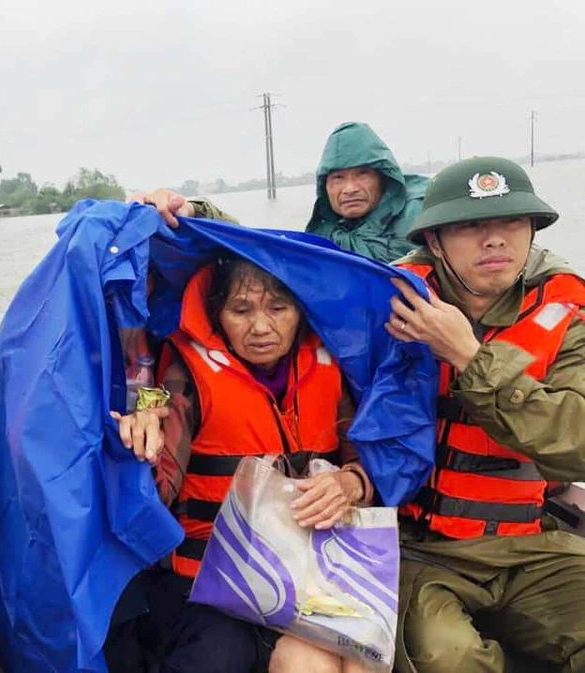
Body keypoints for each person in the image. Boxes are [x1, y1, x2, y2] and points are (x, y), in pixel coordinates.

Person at [111, 256, 375, 673]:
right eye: (241, 310)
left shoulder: (332, 364)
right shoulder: (183, 377)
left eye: (277, 308)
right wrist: (136, 433)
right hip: (210, 580)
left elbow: (364, 458)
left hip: (310, 572)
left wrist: (353, 481)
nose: (260, 327)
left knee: (358, 662)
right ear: (217, 315)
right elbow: (157, 490)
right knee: (219, 659)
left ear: (300, 311)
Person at [386, 156, 585, 673]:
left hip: (533, 544)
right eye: (471, 226)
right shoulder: (386, 298)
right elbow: (284, 277)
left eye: (511, 223)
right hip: (424, 549)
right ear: (433, 242)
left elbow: (578, 442)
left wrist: (469, 358)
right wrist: (185, 211)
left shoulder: (567, 310)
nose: (495, 240)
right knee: (447, 658)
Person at [128, 122, 428, 263]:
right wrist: (192, 210)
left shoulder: (423, 213)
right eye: (337, 177)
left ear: (384, 177)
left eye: (362, 174)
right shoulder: (323, 235)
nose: (349, 188)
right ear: (324, 187)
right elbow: (261, 248)